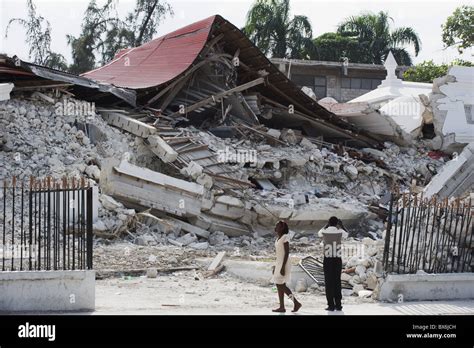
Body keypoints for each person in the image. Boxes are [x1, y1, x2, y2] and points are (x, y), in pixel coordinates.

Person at [271, 220, 302, 313]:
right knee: (279, 284)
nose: (275, 227)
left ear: (282, 228)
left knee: (281, 285)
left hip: (284, 263)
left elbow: (287, 253)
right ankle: (282, 306)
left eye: (277, 226)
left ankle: (296, 303)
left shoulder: (285, 237)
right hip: (279, 262)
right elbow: (279, 253)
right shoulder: (278, 238)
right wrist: (276, 266)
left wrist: (282, 267)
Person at [318, 216, 348, 311]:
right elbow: (347, 234)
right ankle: (338, 305)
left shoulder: (324, 231)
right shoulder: (340, 232)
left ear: (329, 223)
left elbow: (319, 233)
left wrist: (326, 225)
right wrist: (342, 225)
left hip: (327, 259)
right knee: (337, 281)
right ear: (337, 223)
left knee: (329, 282)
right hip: (337, 259)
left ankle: (331, 305)